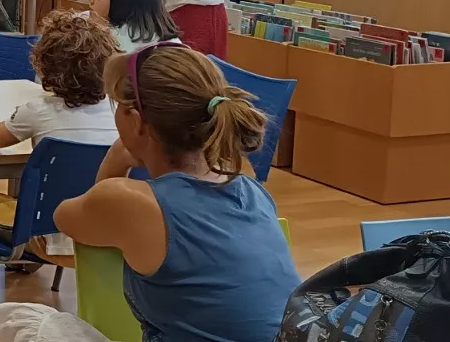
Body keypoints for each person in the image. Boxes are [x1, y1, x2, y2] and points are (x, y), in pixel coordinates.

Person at [54, 42, 299, 342]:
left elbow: (66, 218)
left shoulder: (129, 201)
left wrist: (115, 161)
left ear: (135, 122)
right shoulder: (252, 191)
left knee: (26, 322)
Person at [0, 10, 119, 267]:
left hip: (48, 235)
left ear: (45, 66)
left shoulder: (39, 111)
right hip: (109, 235)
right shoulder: (119, 112)